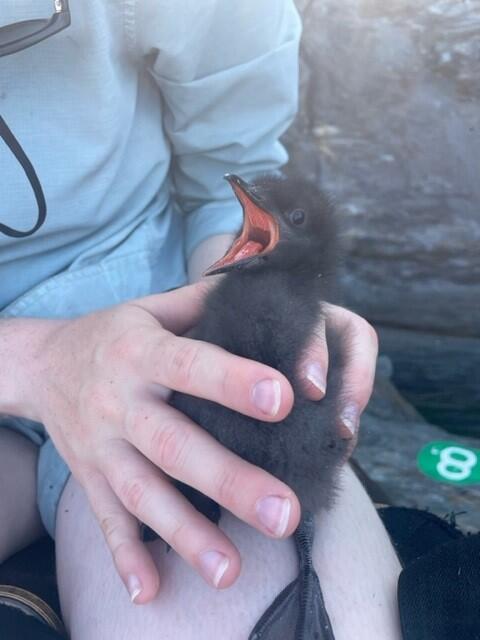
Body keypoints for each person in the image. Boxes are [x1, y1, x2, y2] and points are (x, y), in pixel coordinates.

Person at [0, 1, 401, 638]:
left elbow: (227, 172)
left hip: (144, 337)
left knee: (282, 600)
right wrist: (35, 362)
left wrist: (233, 324)